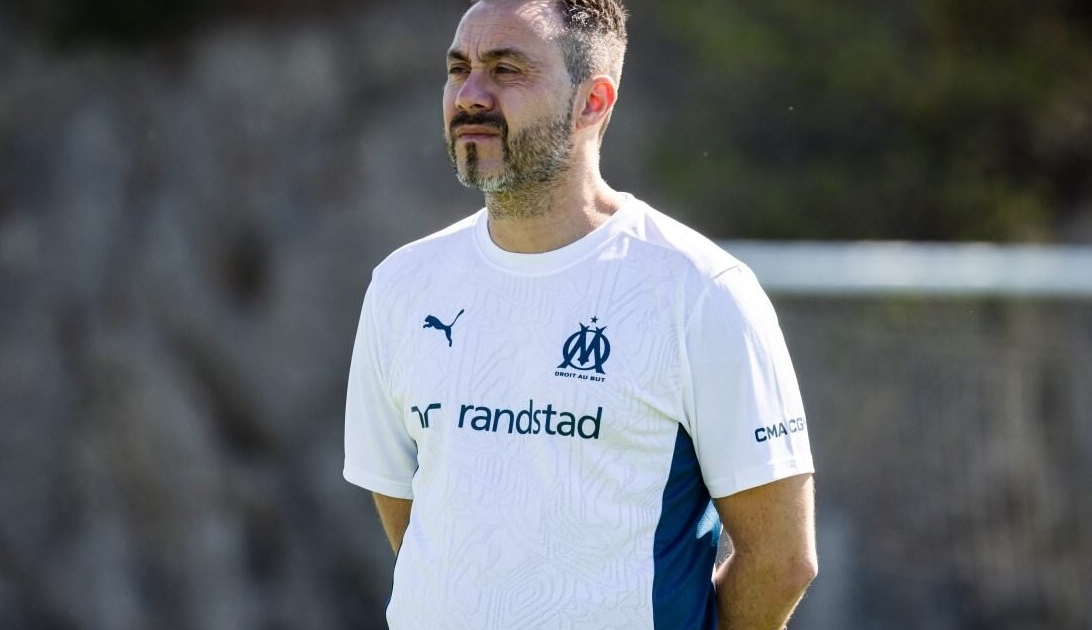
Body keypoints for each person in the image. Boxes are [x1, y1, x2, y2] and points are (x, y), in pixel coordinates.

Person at [343, 0, 817, 627]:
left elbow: (781, 560)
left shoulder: (701, 290)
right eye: (459, 70)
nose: (471, 95)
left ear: (592, 102)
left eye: (507, 70)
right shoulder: (402, 285)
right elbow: (417, 527)